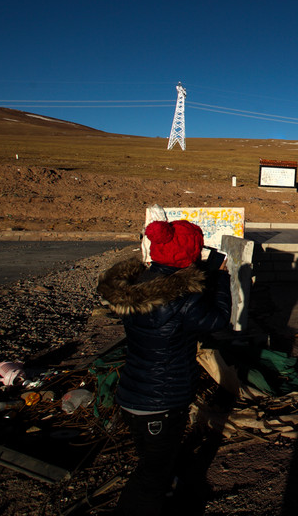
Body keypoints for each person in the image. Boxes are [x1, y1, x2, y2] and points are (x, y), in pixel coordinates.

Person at [97, 218, 231, 515]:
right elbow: (218, 320)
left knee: (152, 463)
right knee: (151, 478)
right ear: (190, 256)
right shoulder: (183, 300)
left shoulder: (136, 288)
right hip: (163, 401)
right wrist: (221, 280)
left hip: (133, 393)